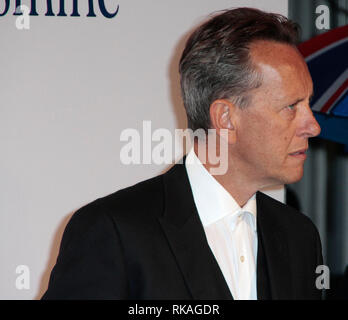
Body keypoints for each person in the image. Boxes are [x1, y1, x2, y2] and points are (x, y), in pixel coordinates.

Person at [42, 7, 323, 300]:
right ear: (226, 118)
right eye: (291, 106)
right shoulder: (113, 233)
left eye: (308, 104)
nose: (313, 126)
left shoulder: (299, 238)